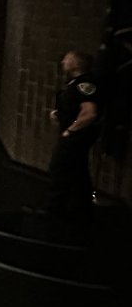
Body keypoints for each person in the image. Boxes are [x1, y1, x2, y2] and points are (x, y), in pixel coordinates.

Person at [47, 50, 102, 227]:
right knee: (78, 172)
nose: (63, 61)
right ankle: (81, 210)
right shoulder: (74, 83)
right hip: (74, 134)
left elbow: (89, 113)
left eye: (67, 59)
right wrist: (60, 114)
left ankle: (54, 210)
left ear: (77, 64)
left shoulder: (85, 84)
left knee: (59, 167)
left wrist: (71, 130)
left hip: (76, 136)